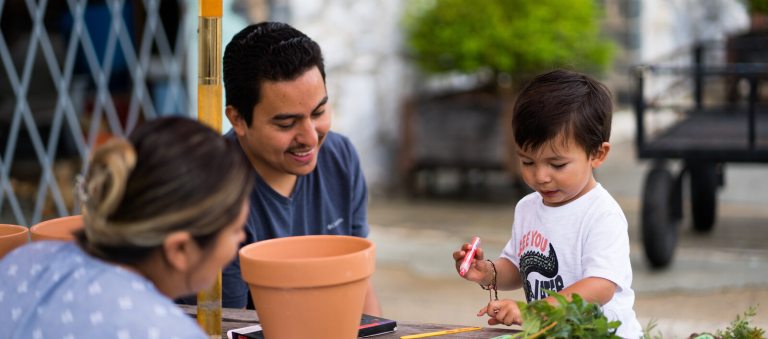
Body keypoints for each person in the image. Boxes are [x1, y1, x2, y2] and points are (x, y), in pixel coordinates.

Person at [0, 117, 254, 338]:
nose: (242, 237)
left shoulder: (23, 261)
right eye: (234, 231)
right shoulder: (164, 330)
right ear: (180, 249)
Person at [452, 70, 643, 338]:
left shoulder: (602, 214)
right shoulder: (528, 208)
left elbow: (600, 285)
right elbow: (519, 268)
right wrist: (488, 272)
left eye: (557, 164)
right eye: (527, 162)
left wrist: (535, 311)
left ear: (597, 154)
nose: (540, 176)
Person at [219, 21, 381, 314]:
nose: (310, 138)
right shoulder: (214, 191)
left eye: (318, 112)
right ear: (238, 119)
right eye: (286, 123)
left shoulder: (340, 157)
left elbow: (358, 286)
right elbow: (229, 325)